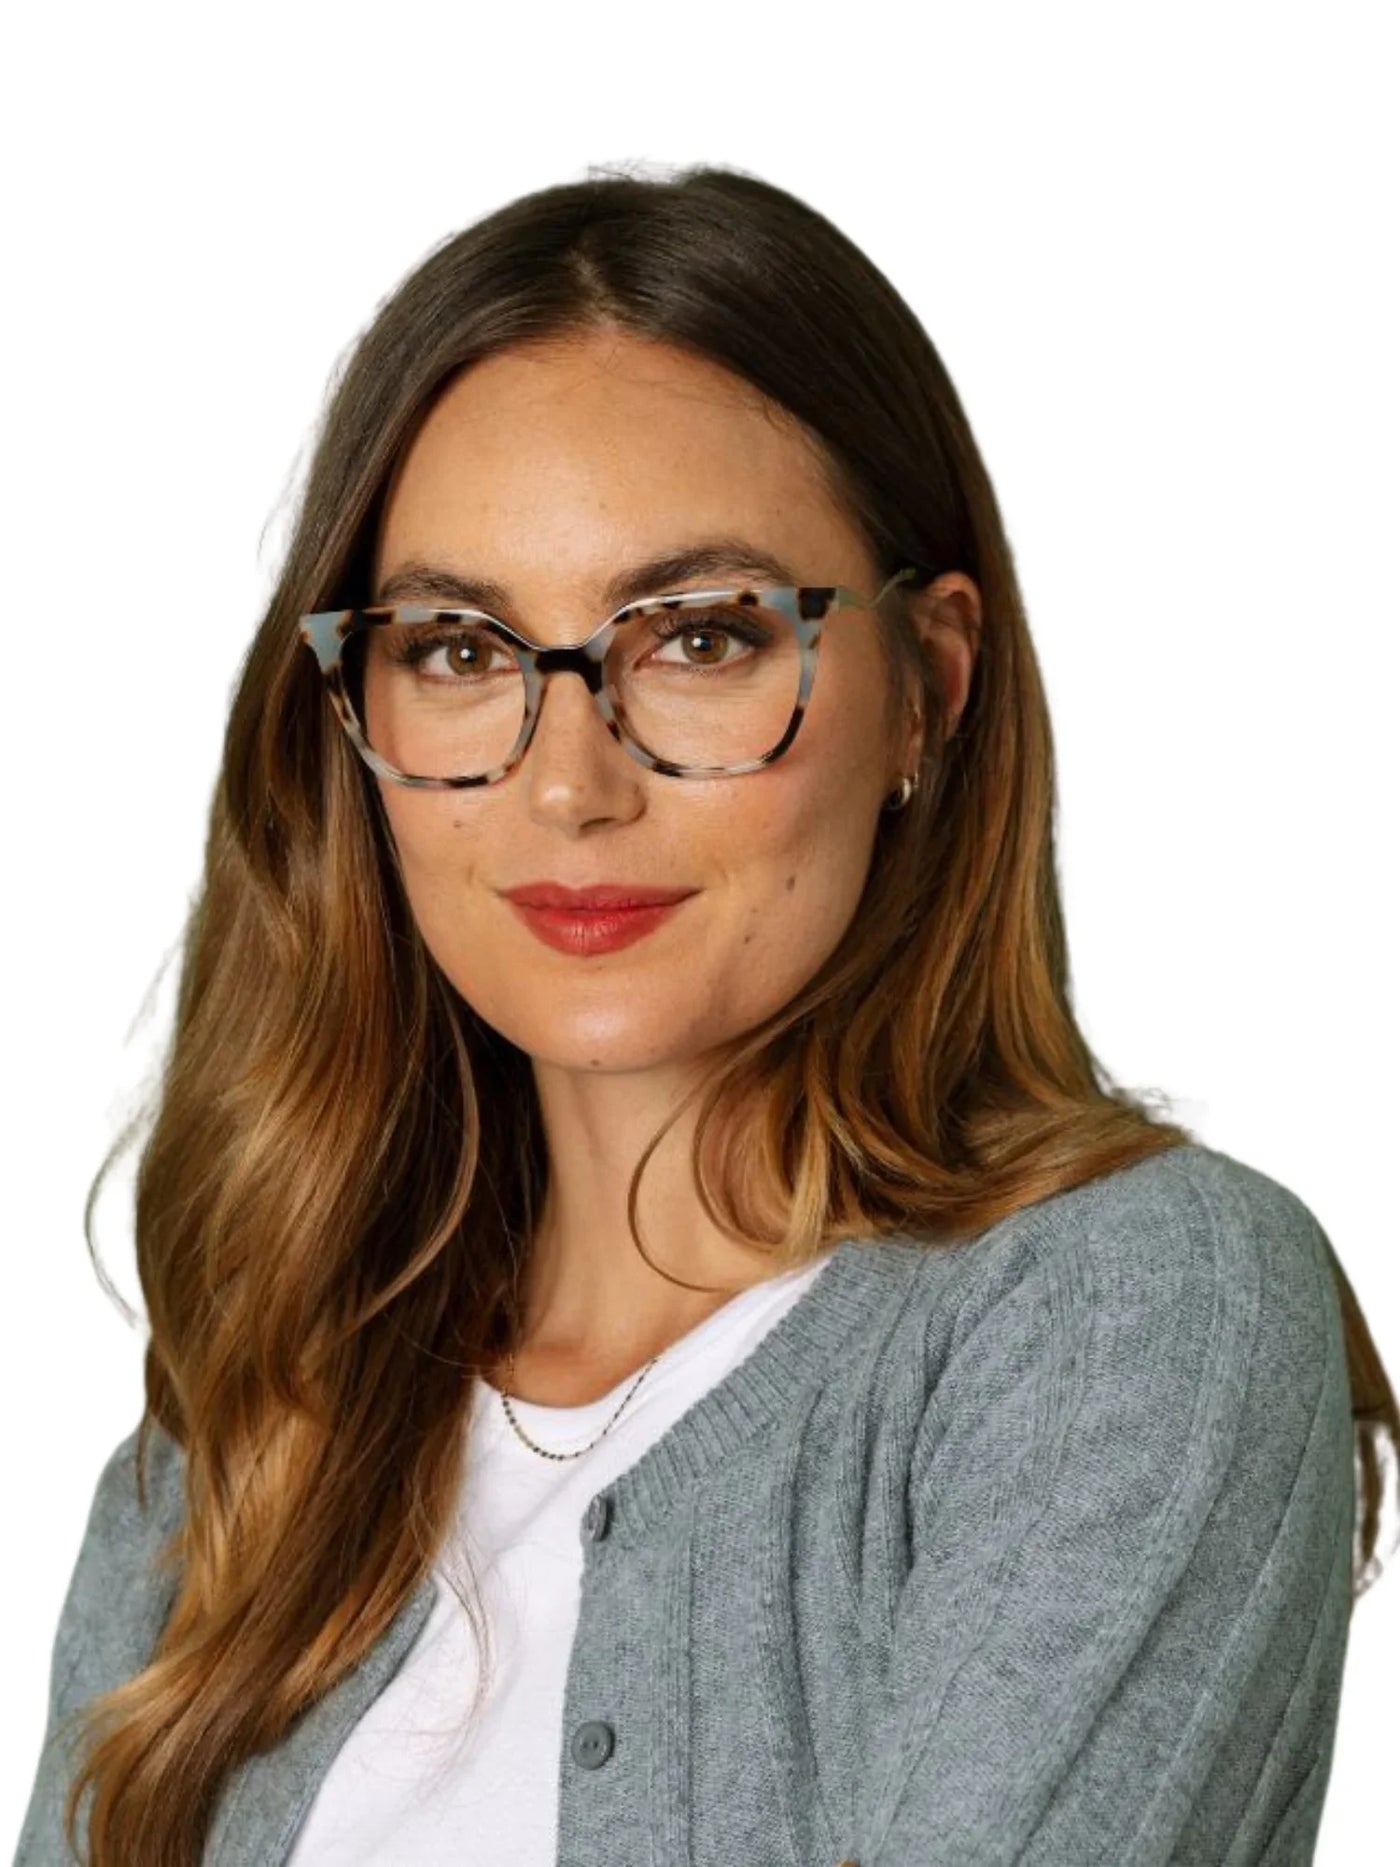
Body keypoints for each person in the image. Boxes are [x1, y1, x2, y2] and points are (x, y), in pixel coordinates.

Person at [15, 162, 1394, 1867]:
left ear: (930, 689)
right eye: (456, 650)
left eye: (700, 638)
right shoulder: (244, 1436)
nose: (567, 781)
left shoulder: (1125, 1317)